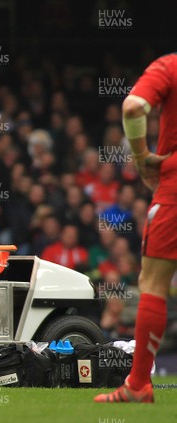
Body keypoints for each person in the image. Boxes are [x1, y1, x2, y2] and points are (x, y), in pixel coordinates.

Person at [94, 54, 176, 403]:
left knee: (154, 284)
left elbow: (132, 108)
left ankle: (139, 384)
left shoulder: (170, 66)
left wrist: (142, 159)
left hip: (174, 186)